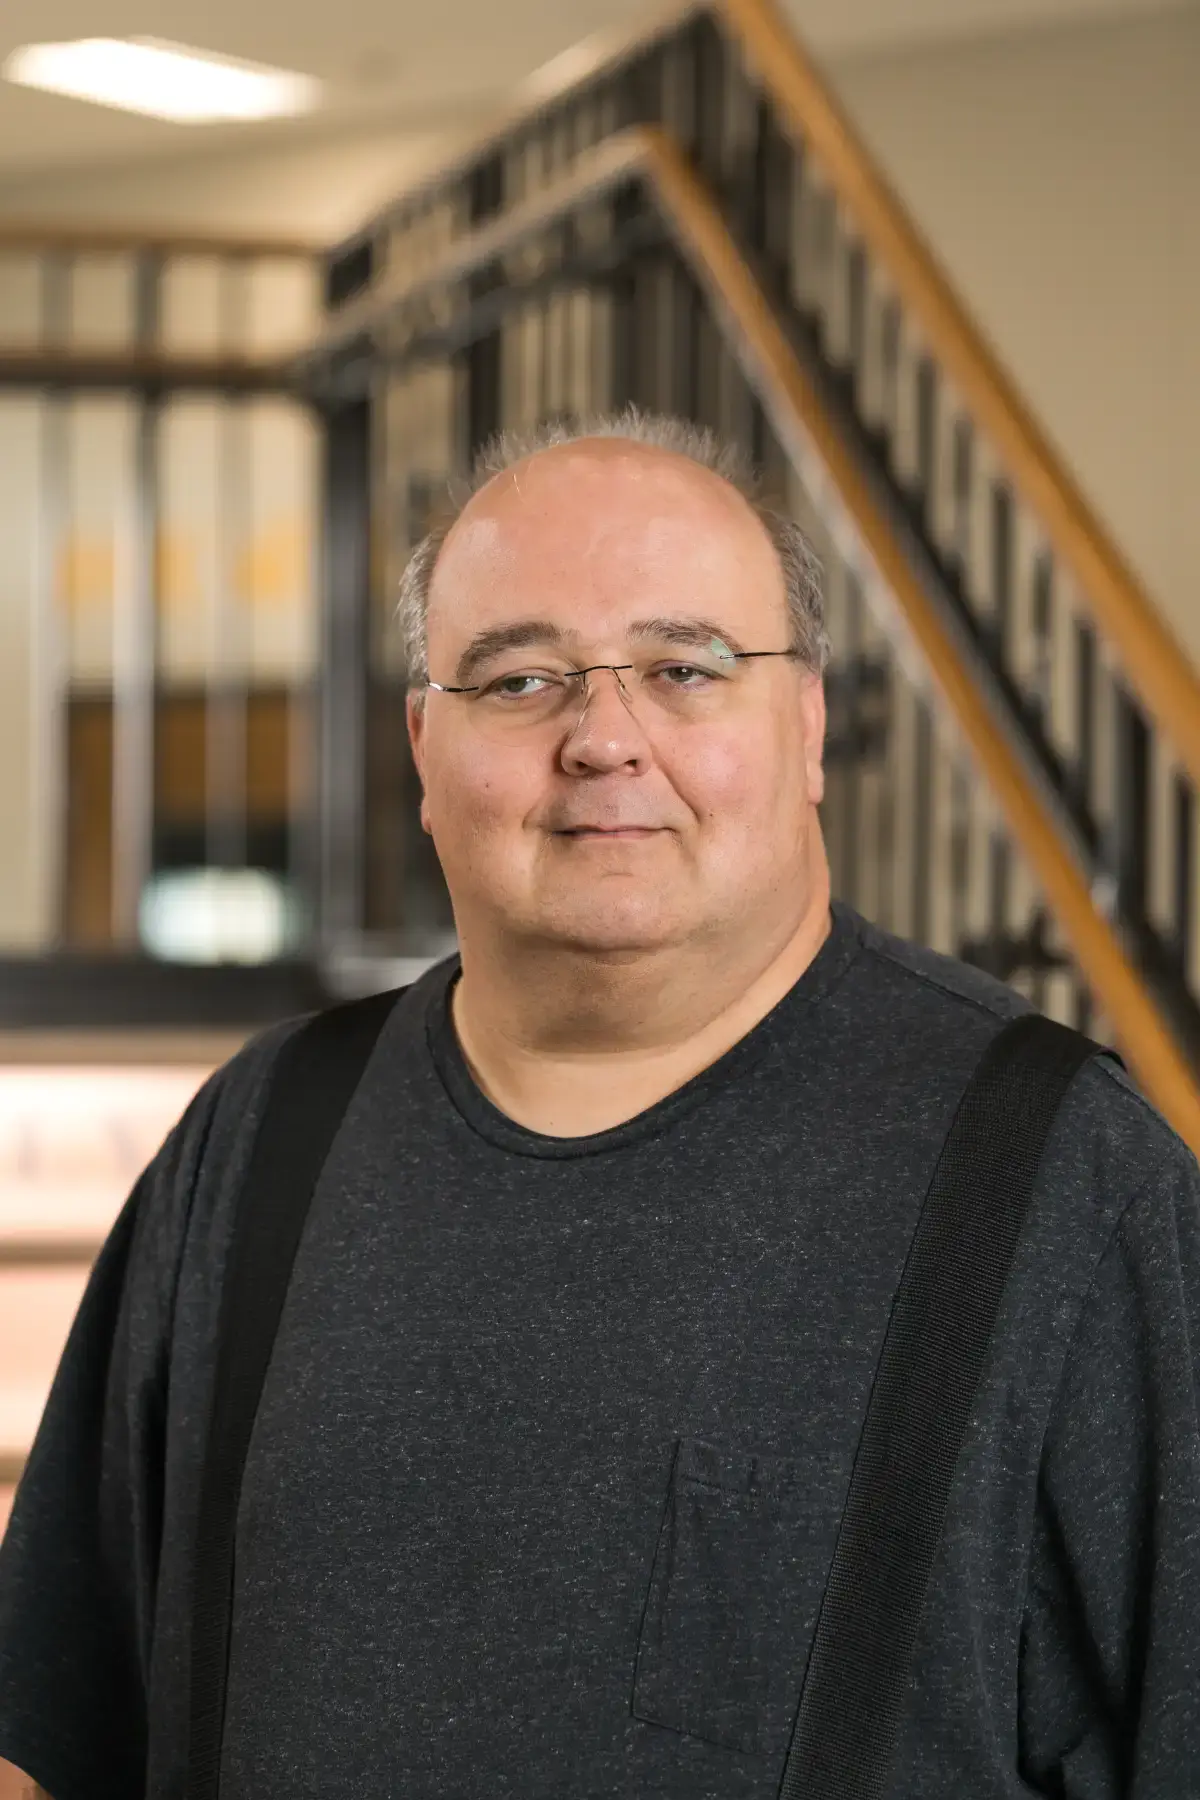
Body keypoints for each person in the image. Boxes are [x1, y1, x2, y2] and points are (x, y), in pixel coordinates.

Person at [1, 409, 1198, 1800]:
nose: (604, 739)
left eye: (686, 669)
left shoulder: (1062, 1179)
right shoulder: (264, 1137)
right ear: (423, 749)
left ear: (806, 725)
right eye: (518, 682)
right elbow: (49, 1732)